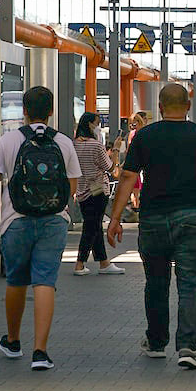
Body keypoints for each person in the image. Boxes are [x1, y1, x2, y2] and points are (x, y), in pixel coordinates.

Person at [106, 82, 196, 369]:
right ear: (188, 107)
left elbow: (127, 178)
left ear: (160, 108)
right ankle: (187, 346)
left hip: (154, 219)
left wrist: (115, 218)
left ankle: (156, 342)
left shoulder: (145, 136)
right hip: (192, 218)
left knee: (156, 283)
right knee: (191, 285)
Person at [0, 86, 79, 370]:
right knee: (45, 281)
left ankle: (13, 341)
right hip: (54, 220)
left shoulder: (9, 141)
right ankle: (40, 352)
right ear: (51, 111)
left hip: (15, 220)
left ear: (24, 111)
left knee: (16, 280)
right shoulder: (64, 142)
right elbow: (71, 186)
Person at [70, 111, 123, 277]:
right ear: (90, 125)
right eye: (97, 123)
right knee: (91, 227)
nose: (98, 127)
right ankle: (80, 263)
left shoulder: (73, 145)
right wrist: (115, 149)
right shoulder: (96, 145)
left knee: (94, 225)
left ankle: (104, 262)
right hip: (98, 189)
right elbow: (110, 167)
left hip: (81, 189)